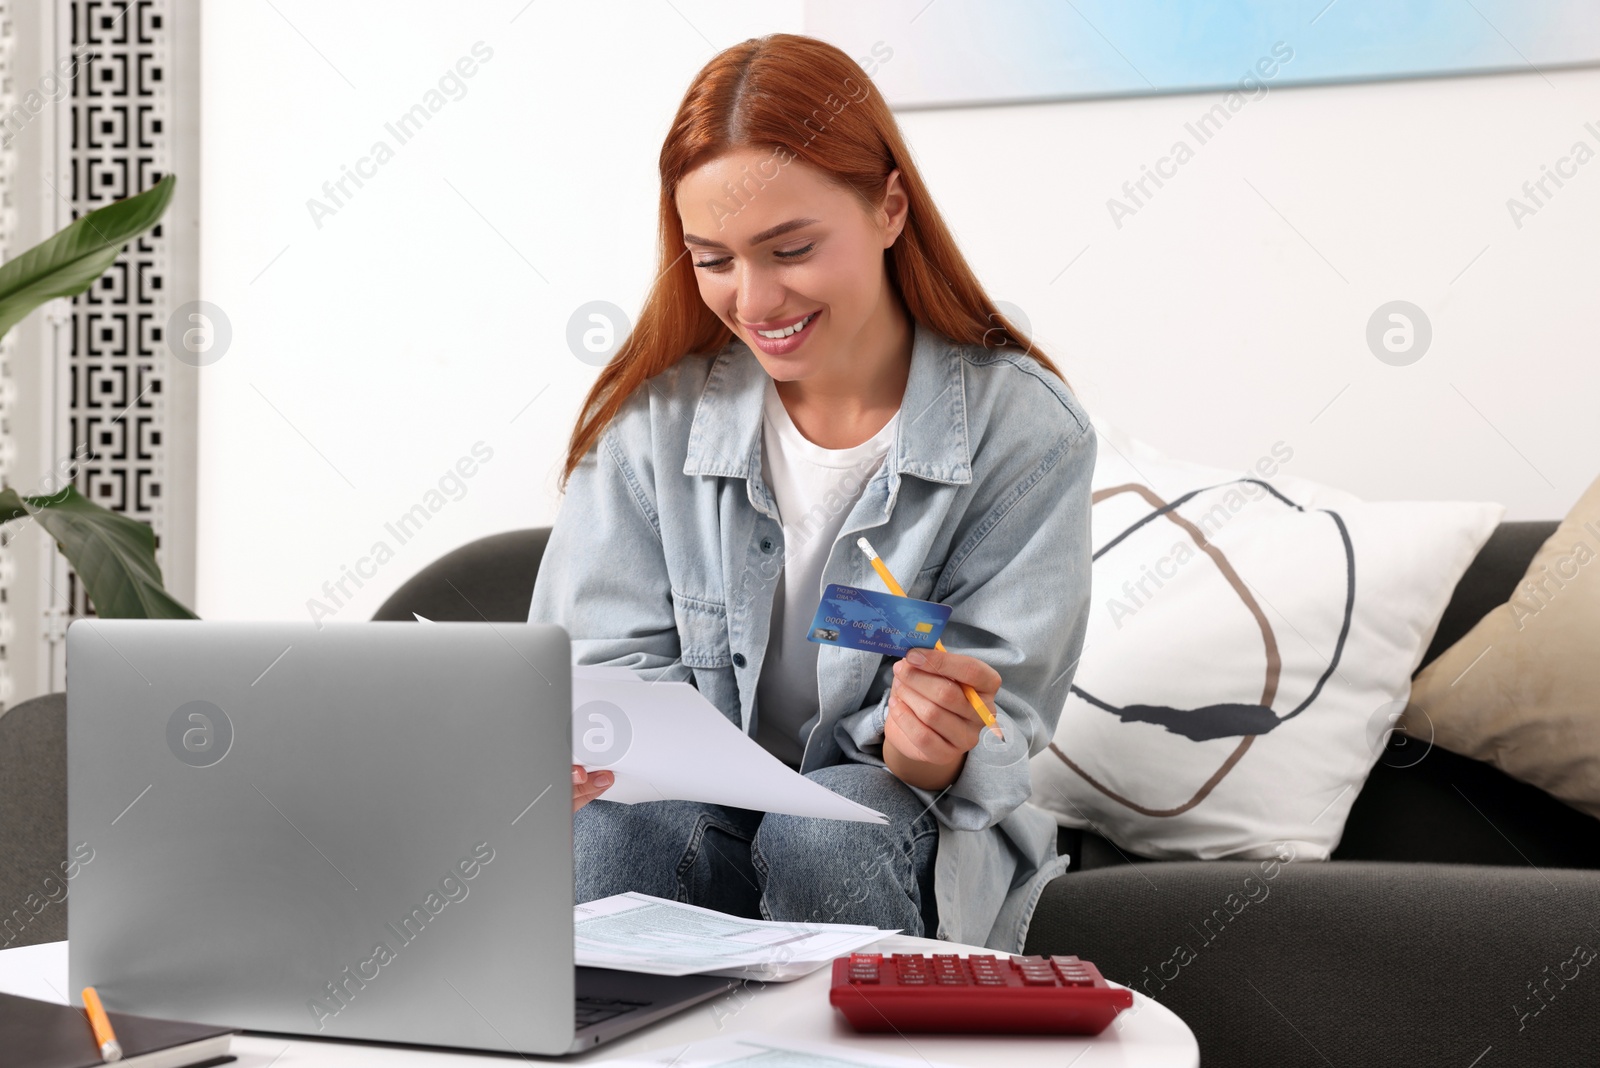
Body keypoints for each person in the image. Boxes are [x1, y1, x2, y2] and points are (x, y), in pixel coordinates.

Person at [527, 32, 1094, 953]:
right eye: (712, 258)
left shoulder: (1026, 433)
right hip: (690, 808)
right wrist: (588, 745)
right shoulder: (650, 421)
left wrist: (928, 745)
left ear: (890, 207)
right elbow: (599, 667)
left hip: (892, 814)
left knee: (828, 823)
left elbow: (1006, 714)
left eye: (790, 248)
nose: (752, 300)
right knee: (610, 830)